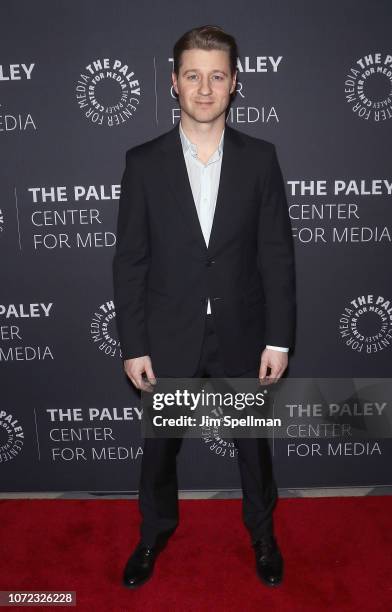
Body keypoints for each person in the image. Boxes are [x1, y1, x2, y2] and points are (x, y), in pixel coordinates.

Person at [112, 24, 296, 589]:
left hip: (243, 333)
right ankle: (153, 534)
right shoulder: (142, 162)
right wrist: (134, 343)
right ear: (174, 83)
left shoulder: (260, 159)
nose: (205, 87)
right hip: (169, 334)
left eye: (217, 75)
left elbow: (277, 257)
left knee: (252, 452)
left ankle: (263, 535)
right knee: (158, 456)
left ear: (235, 83)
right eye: (193, 75)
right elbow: (131, 262)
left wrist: (279, 338)